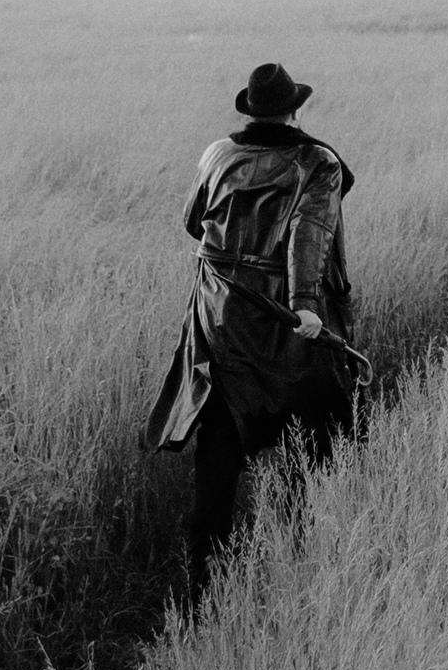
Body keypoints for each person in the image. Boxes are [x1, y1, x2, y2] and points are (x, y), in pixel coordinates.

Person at [143, 61, 360, 592]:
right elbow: (311, 234)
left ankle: (200, 590)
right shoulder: (319, 161)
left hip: (220, 321)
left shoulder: (218, 154)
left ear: (252, 108)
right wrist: (307, 305)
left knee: (217, 453)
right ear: (295, 108)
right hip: (289, 327)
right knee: (309, 437)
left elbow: (194, 222)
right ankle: (291, 564)